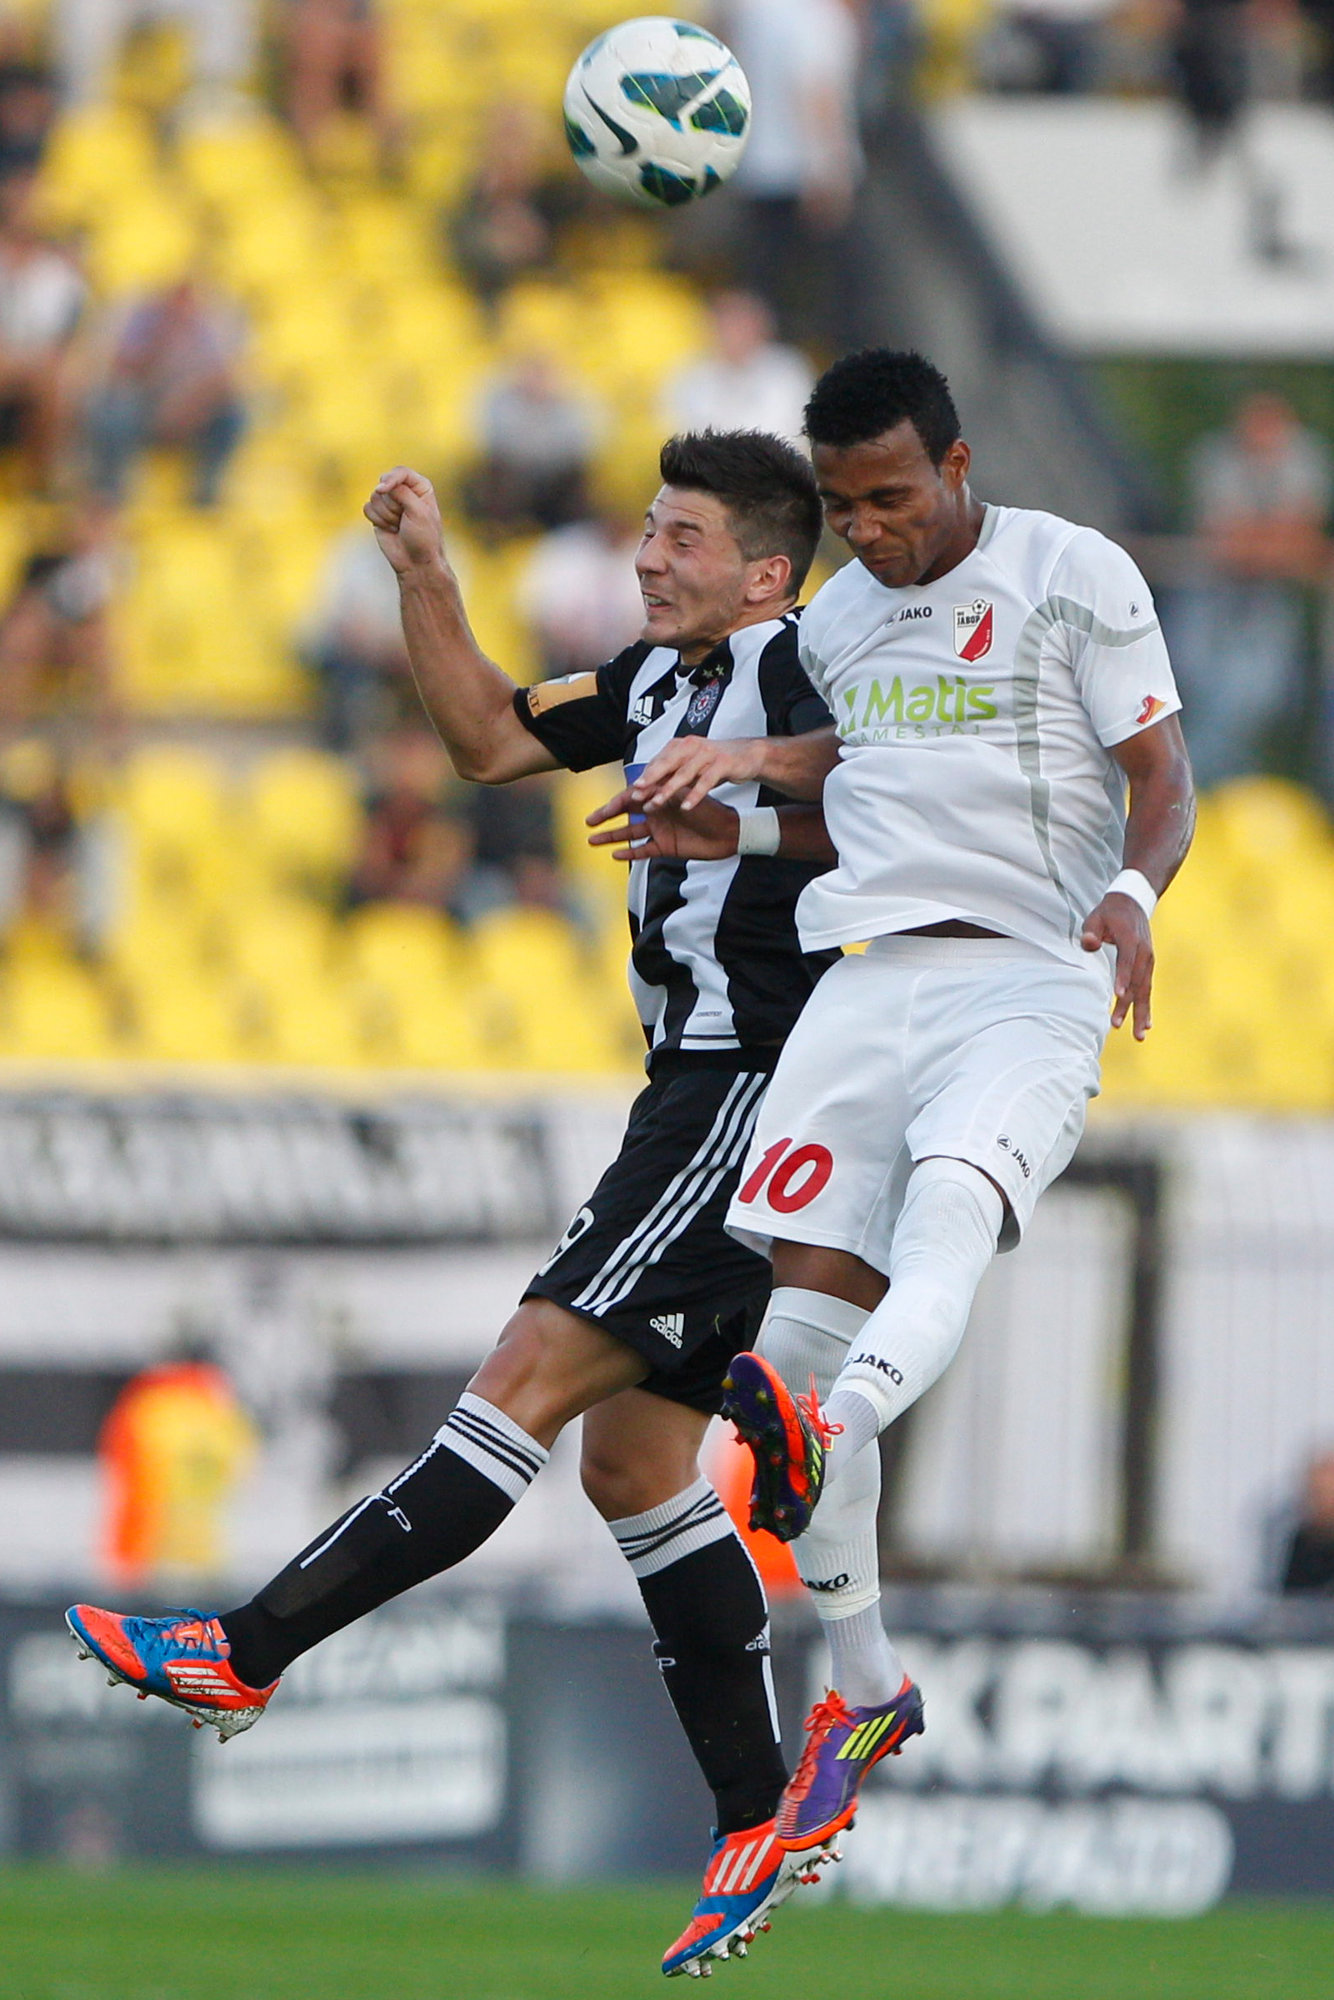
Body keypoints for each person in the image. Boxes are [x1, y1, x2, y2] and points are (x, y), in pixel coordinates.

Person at [67, 429, 843, 1977]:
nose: (646, 554)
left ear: (766, 572)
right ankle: (759, 1816)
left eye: (682, 536)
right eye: (646, 527)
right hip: (693, 1090)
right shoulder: (657, 680)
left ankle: (246, 1650)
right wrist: (424, 575)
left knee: (523, 1379)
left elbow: (892, 780)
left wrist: (749, 789)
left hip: (747, 1087)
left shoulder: (805, 664)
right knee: (635, 1465)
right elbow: (488, 738)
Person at [603, 348, 1195, 1857]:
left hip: (1030, 975)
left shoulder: (1070, 573)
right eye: (842, 505)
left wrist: (1132, 896)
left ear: (954, 464)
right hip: (866, 988)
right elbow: (854, 789)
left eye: (888, 498)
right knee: (788, 1351)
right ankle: (863, 1682)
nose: (864, 530)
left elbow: (1163, 778)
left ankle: (839, 1436)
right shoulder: (841, 620)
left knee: (926, 1242)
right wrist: (732, 819)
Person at [1166, 391, 1330, 789]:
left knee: (1258, 700)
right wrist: (1275, 544)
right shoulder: (1214, 456)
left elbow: (1304, 532)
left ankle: (1221, 792)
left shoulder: (1306, 458)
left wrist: (1262, 544)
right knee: (1189, 688)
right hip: (1210, 597)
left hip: (1270, 602)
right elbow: (1223, 538)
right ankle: (1193, 789)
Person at [663, 290, 814, 450]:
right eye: (726, 325)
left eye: (741, 325)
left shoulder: (787, 371)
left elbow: (796, 432)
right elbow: (675, 429)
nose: (734, 333)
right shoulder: (688, 376)